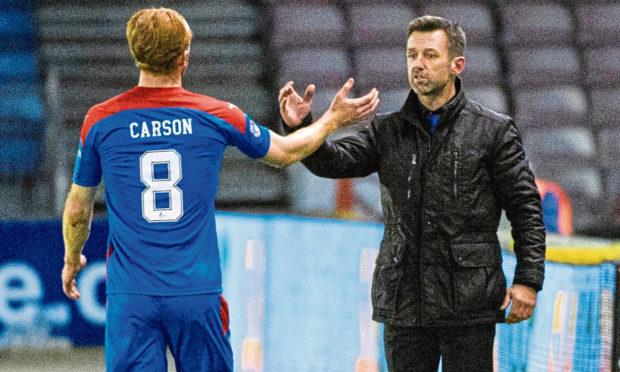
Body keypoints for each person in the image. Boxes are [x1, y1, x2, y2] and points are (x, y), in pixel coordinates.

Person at [60, 7, 378, 372]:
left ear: (135, 54)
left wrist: (72, 260)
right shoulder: (216, 113)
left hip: (131, 296)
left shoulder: (100, 120)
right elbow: (287, 152)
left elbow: (77, 208)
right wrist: (331, 119)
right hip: (196, 294)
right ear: (184, 56)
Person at [279, 15, 546, 372]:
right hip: (404, 303)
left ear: (457, 65)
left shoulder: (494, 132)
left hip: (470, 305)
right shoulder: (386, 130)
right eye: (411, 55)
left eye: (430, 55)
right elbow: (332, 163)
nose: (418, 64)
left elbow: (525, 209)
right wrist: (303, 126)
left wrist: (528, 280)